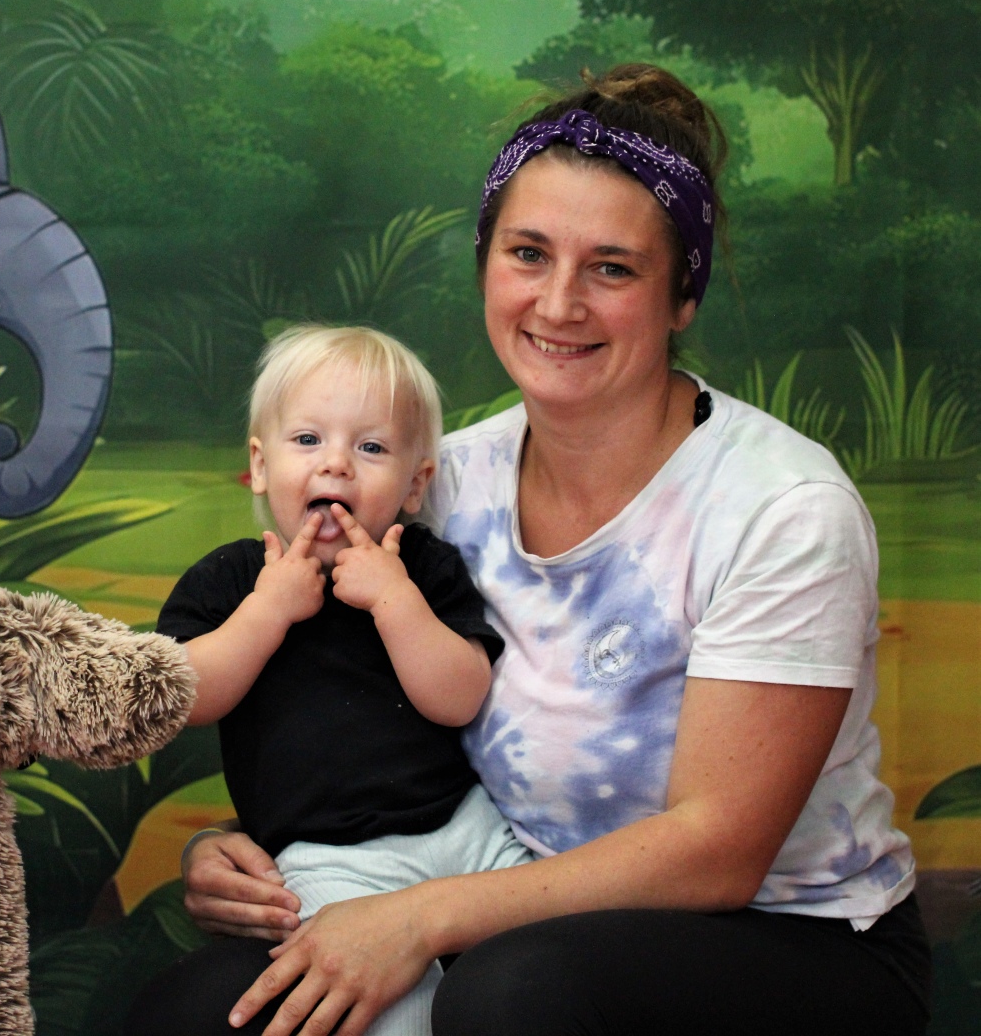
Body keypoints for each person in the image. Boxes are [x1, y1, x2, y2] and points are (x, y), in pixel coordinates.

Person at [128, 64, 931, 1036]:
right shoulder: (433, 485)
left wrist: (418, 918)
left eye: (612, 268)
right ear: (485, 264)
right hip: (495, 902)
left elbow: (718, 854)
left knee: (509, 999)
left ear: (682, 296)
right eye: (528, 254)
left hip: (783, 933)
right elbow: (345, 719)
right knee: (193, 1013)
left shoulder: (782, 509)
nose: (558, 303)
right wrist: (236, 853)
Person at [156, 325, 533, 1036]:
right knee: (384, 1009)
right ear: (260, 466)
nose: (336, 463)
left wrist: (395, 601)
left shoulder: (422, 567)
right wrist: (267, 612)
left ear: (416, 484)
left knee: (536, 965)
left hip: (467, 828)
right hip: (326, 859)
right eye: (307, 440)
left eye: (372, 448)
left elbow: (460, 698)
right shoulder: (230, 579)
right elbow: (185, 698)